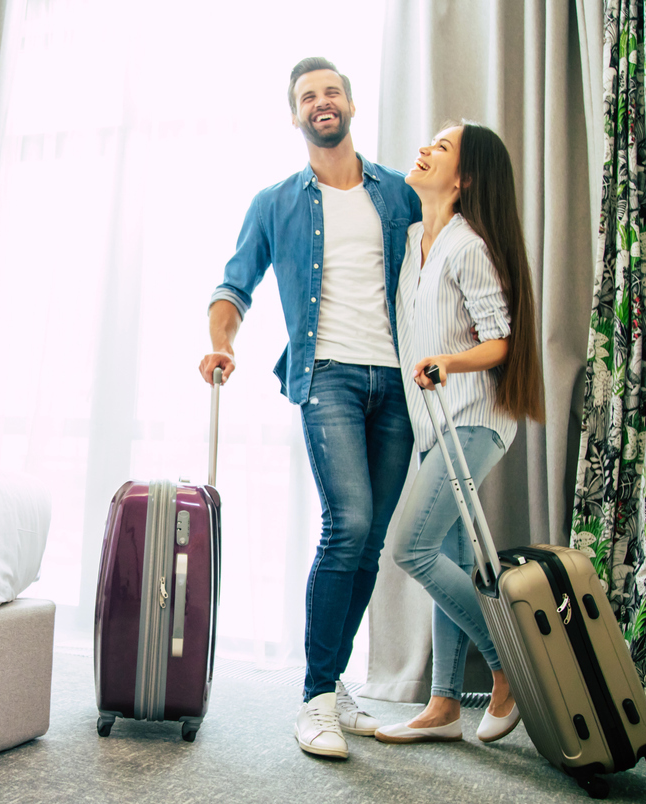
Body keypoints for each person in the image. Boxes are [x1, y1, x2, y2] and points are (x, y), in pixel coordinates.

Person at [199, 57, 421, 760]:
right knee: (347, 522)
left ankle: (331, 688)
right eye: (307, 97)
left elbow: (439, 275)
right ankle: (314, 700)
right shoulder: (276, 202)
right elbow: (233, 288)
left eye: (330, 92)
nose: (320, 103)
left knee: (371, 543)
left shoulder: (399, 195)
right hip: (326, 376)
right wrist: (220, 344)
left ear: (350, 105)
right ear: (295, 116)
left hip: (399, 384)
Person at [373, 122, 545, 745]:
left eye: (440, 149)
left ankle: (507, 667)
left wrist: (448, 362)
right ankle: (444, 704)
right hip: (432, 424)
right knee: (453, 561)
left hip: (472, 418)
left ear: (464, 178)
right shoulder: (418, 236)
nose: (423, 149)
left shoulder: (469, 245)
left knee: (410, 549)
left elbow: (500, 341)